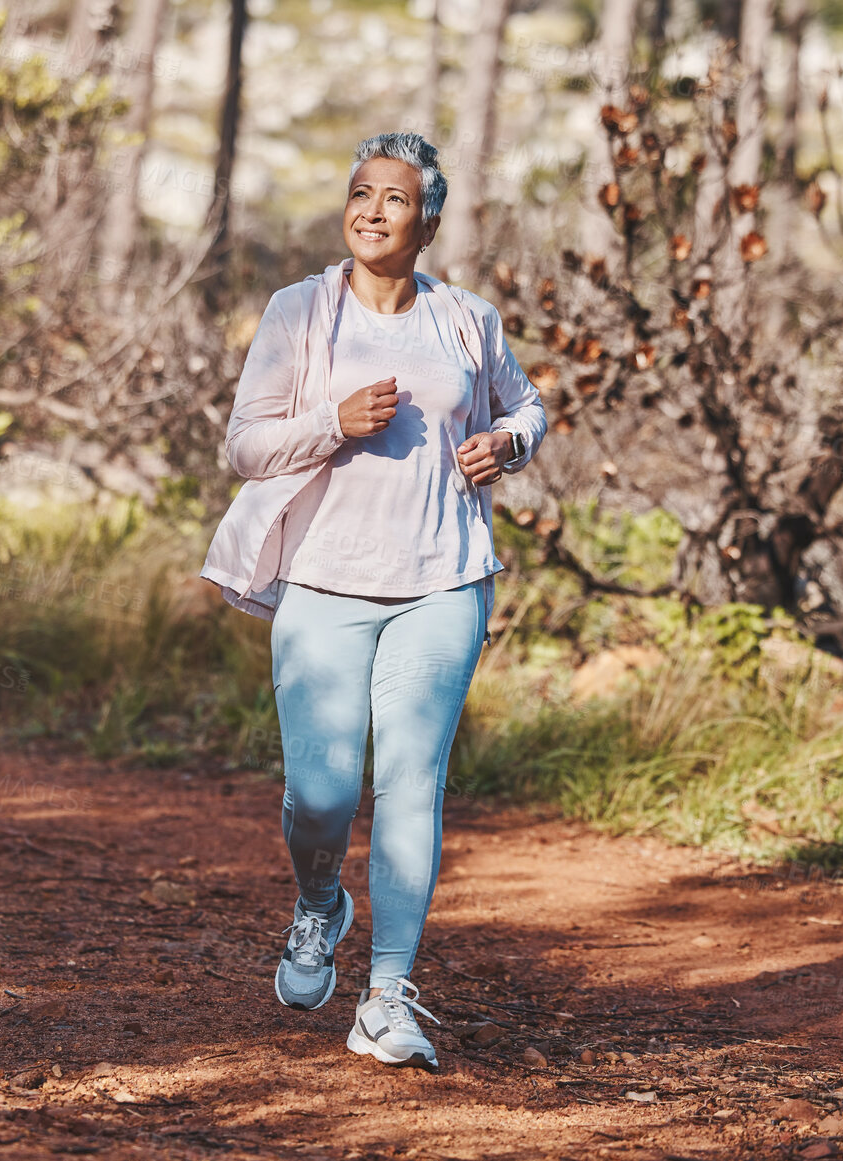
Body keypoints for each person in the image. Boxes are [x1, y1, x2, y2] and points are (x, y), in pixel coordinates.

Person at [199, 130, 548, 1070]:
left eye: (394, 198)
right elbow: (244, 446)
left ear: (426, 221)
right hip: (322, 580)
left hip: (443, 581)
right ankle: (320, 902)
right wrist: (331, 423)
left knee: (408, 788)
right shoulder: (299, 311)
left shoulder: (468, 320)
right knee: (322, 795)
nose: (371, 209)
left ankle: (387, 994)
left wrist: (509, 446)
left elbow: (526, 406)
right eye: (360, 191)